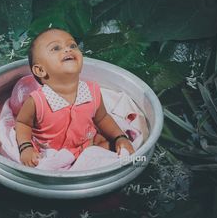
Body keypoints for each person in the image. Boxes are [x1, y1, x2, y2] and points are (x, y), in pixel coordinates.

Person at [15, 28, 135, 167]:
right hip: (50, 150)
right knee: (38, 164)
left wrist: (120, 137)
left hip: (86, 143)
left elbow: (102, 118)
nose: (68, 50)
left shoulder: (92, 92)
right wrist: (26, 147)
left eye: (72, 45)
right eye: (56, 48)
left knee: (117, 151)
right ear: (41, 70)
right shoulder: (38, 101)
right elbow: (23, 124)